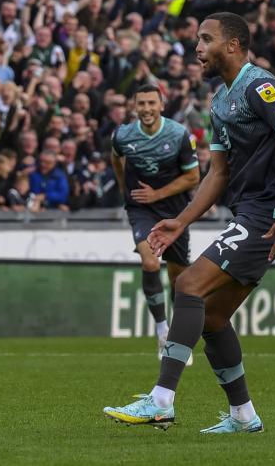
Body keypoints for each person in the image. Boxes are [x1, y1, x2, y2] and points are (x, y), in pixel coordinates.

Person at [104, 12, 275, 433]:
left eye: (206, 39)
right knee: (214, 317)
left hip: (269, 215)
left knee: (188, 285)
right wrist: (180, 220)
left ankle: (161, 400)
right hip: (250, 212)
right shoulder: (220, 100)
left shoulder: (260, 86)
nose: (197, 48)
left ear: (233, 45)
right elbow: (218, 173)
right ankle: (244, 416)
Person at [111, 84, 199, 358]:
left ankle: (178, 336)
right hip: (141, 208)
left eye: (151, 103)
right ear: (134, 106)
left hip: (174, 210)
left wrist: (158, 194)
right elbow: (116, 157)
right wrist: (124, 187)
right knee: (149, 262)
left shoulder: (178, 134)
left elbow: (193, 177)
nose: (146, 109)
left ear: (161, 105)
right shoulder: (122, 135)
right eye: (141, 103)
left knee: (178, 279)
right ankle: (162, 331)